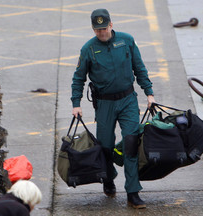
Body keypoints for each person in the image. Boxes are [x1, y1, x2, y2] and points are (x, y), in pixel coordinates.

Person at [71, 8, 156, 209]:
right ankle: (109, 178)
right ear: (93, 29)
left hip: (128, 100)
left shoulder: (127, 41)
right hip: (104, 104)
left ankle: (133, 192)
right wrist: (76, 104)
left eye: (104, 28)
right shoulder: (88, 49)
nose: (101, 32)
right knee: (106, 146)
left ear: (111, 24)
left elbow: (139, 67)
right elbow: (78, 78)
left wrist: (149, 93)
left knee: (131, 143)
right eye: (97, 30)